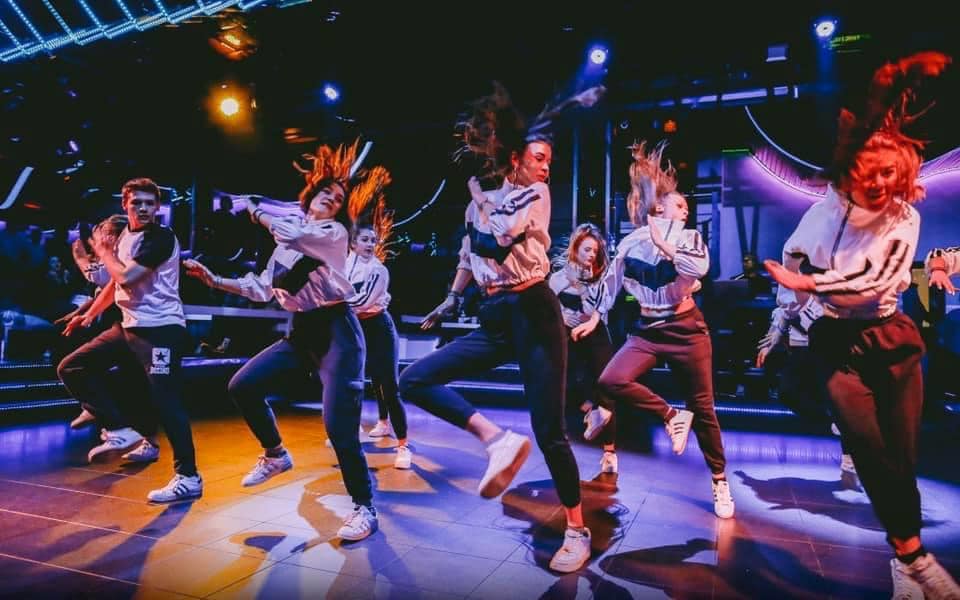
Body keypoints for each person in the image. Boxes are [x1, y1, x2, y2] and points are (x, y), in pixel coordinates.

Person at [764, 52, 960, 598]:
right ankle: (915, 558)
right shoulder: (822, 212)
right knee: (869, 450)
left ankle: (903, 558)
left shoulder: (904, 218)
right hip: (835, 342)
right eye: (866, 170)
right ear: (848, 168)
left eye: (888, 173)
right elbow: (793, 262)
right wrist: (787, 316)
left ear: (904, 173)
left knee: (900, 459)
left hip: (891, 337)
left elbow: (874, 282)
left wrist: (810, 284)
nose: (877, 182)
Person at [401, 83, 604, 573]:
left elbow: (499, 241)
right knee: (414, 379)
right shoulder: (479, 202)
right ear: (516, 157)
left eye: (549, 160)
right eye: (539, 158)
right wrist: (451, 298)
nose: (546, 166)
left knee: (549, 431)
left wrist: (481, 206)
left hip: (534, 310)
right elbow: (469, 257)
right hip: (493, 314)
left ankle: (577, 529)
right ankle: (496, 439)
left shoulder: (536, 194)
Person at [184, 141, 383, 541]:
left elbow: (288, 230)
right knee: (243, 385)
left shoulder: (332, 233)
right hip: (302, 331)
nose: (330, 198)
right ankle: (275, 454)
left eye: (337, 198)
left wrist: (254, 210)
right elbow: (261, 288)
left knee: (339, 428)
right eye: (325, 192)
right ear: (311, 195)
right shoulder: (285, 248)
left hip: (338, 333)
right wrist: (214, 280)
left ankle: (365, 508)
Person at [593, 141, 734, 519]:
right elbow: (610, 286)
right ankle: (671, 415)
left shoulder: (689, 238)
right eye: (679, 204)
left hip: (687, 329)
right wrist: (594, 314)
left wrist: (665, 246)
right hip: (648, 330)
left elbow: (700, 270)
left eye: (687, 207)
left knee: (703, 407)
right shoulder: (629, 243)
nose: (686, 209)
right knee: (610, 380)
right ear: (658, 208)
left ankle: (720, 480)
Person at [58, 178, 200, 502]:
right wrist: (89, 314)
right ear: (125, 204)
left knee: (167, 401)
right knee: (72, 367)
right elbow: (114, 285)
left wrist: (102, 252)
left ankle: (189, 476)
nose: (144, 208)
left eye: (150, 203)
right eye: (137, 202)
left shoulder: (160, 238)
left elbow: (126, 276)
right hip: (129, 327)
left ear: (158, 207)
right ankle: (119, 430)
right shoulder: (124, 237)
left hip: (161, 329)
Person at [756, 296, 859, 488]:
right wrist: (774, 336)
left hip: (831, 341)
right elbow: (785, 309)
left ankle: (849, 461)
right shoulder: (791, 286)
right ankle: (833, 424)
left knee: (838, 402)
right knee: (788, 392)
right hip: (801, 345)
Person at [548, 223, 618, 476]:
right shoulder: (557, 278)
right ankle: (587, 410)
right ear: (575, 248)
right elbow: (549, 309)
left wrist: (581, 287)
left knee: (606, 388)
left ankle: (609, 453)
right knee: (563, 385)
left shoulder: (600, 279)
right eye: (587, 249)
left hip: (595, 334)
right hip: (567, 335)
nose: (591, 255)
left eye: (595, 251)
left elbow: (596, 311)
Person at [346, 212, 412, 470]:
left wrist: (337, 304)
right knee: (363, 381)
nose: (370, 244)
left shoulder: (378, 269)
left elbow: (363, 302)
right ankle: (377, 424)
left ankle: (403, 445)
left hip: (379, 327)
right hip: (355, 326)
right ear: (353, 243)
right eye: (365, 240)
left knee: (389, 386)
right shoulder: (343, 266)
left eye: (373, 240)